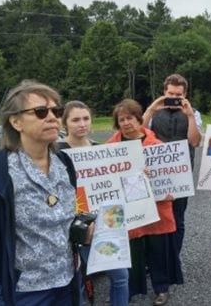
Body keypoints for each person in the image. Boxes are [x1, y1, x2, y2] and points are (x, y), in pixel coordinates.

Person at [0, 80, 88, 305]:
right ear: (16, 122)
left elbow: (62, 219)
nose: (52, 117)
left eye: (56, 110)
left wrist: (83, 231)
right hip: (25, 293)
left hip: (67, 285)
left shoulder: (64, 163)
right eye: (41, 112)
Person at [57, 100, 130, 306]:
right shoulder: (56, 153)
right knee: (79, 281)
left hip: (104, 224)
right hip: (73, 227)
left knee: (121, 277)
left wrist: (136, 175)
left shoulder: (101, 149)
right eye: (75, 120)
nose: (82, 124)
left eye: (86, 118)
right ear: (65, 124)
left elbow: (115, 182)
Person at [108, 99, 177, 306]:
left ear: (139, 120)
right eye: (121, 120)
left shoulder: (157, 147)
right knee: (132, 253)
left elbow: (172, 177)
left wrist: (172, 191)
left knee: (158, 251)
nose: (126, 123)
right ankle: (130, 290)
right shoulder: (109, 148)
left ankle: (161, 289)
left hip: (156, 208)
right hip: (128, 210)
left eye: (130, 118)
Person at [142, 73, 203, 292]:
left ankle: (172, 260)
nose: (173, 98)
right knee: (154, 219)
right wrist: (151, 108)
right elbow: (136, 135)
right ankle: (153, 262)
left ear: (185, 95)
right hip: (155, 176)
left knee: (177, 219)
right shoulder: (153, 112)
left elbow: (195, 141)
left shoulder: (193, 114)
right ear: (164, 92)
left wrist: (189, 116)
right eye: (170, 94)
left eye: (178, 95)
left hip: (181, 176)